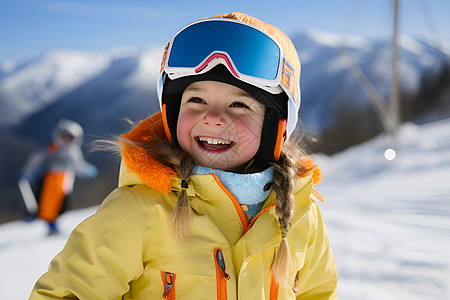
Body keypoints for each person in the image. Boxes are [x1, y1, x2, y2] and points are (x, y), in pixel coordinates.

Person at [29, 12, 338, 299]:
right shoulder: (140, 213)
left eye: (239, 104)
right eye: (197, 99)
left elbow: (319, 292)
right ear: (172, 113)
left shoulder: (301, 215)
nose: (213, 117)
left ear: (276, 124)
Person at [19, 118, 98, 235]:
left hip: (65, 181)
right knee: (46, 202)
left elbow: (78, 165)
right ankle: (49, 224)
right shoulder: (52, 149)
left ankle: (53, 223)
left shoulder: (73, 152)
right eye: (65, 136)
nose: (67, 140)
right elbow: (37, 160)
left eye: (70, 137)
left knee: (62, 203)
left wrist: (86, 170)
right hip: (49, 179)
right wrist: (28, 172)